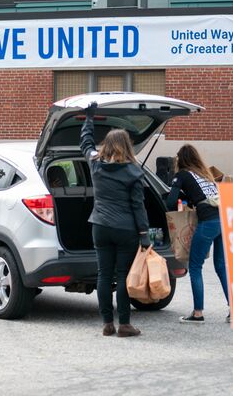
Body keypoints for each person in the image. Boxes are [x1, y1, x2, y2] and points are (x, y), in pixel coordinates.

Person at [80, 102, 150, 338]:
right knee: (122, 276)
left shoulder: (96, 164)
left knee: (103, 274)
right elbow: (137, 206)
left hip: (99, 226)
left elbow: (86, 144)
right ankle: (125, 325)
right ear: (127, 146)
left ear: (107, 146)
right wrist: (144, 235)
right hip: (125, 229)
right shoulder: (133, 172)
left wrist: (88, 118)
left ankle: (107, 323)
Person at [166, 144, 229, 324]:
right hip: (223, 220)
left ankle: (198, 313)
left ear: (181, 159)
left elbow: (171, 203)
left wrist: (179, 192)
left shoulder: (182, 174)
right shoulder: (205, 174)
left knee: (195, 266)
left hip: (208, 222)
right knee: (221, 266)